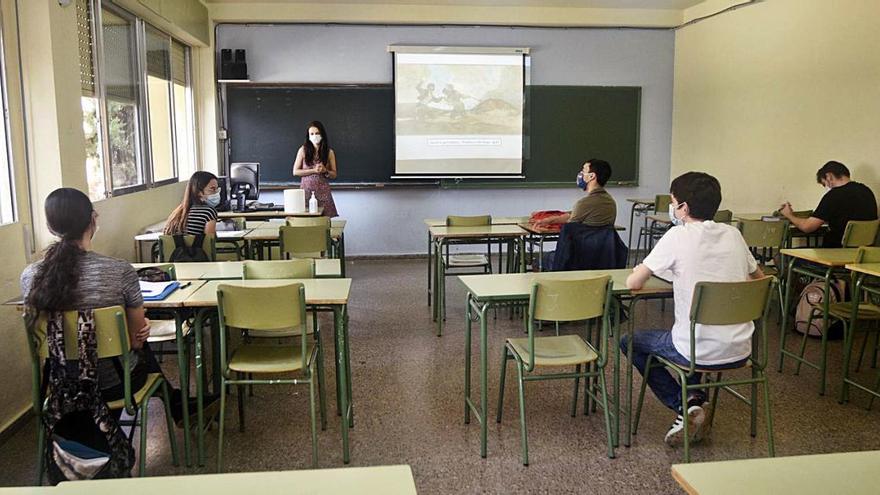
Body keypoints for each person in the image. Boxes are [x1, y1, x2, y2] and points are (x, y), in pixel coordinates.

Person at [21, 188, 211, 422]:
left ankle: (174, 405)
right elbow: (135, 341)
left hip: (58, 386)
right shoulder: (119, 271)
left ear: (50, 228)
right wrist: (142, 328)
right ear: (93, 220)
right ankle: (175, 406)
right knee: (136, 348)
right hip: (114, 384)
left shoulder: (30, 276)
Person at [622, 172, 764, 446]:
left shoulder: (677, 236)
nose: (672, 209)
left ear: (684, 208)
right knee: (697, 329)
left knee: (631, 342)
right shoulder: (733, 234)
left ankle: (683, 402)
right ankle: (696, 398)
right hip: (741, 348)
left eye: (673, 203)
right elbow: (759, 279)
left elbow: (633, 283)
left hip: (694, 348)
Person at [779, 160, 877, 248]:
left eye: (824, 184)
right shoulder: (867, 191)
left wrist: (789, 215)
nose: (826, 187)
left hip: (835, 255)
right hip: (863, 255)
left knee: (781, 256)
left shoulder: (833, 195)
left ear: (829, 176)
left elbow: (807, 227)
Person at [534, 159, 617, 227]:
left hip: (583, 246)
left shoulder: (584, 204)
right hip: (605, 247)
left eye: (584, 170)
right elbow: (575, 215)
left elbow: (570, 227)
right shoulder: (610, 202)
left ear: (591, 176)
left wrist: (548, 222)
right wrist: (549, 220)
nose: (580, 174)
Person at [292, 121, 339, 217]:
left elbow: (334, 174)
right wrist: (313, 170)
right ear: (308, 136)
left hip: (323, 193)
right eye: (312, 134)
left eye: (317, 133)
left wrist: (325, 170)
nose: (314, 136)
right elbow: (295, 171)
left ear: (322, 134)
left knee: (324, 224)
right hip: (306, 192)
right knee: (306, 222)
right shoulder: (303, 150)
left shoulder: (329, 152)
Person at [164, 171, 221, 235]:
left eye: (217, 189)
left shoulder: (177, 212)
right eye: (212, 189)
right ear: (199, 192)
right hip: (196, 245)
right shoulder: (209, 212)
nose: (216, 193)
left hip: (173, 245)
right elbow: (210, 240)